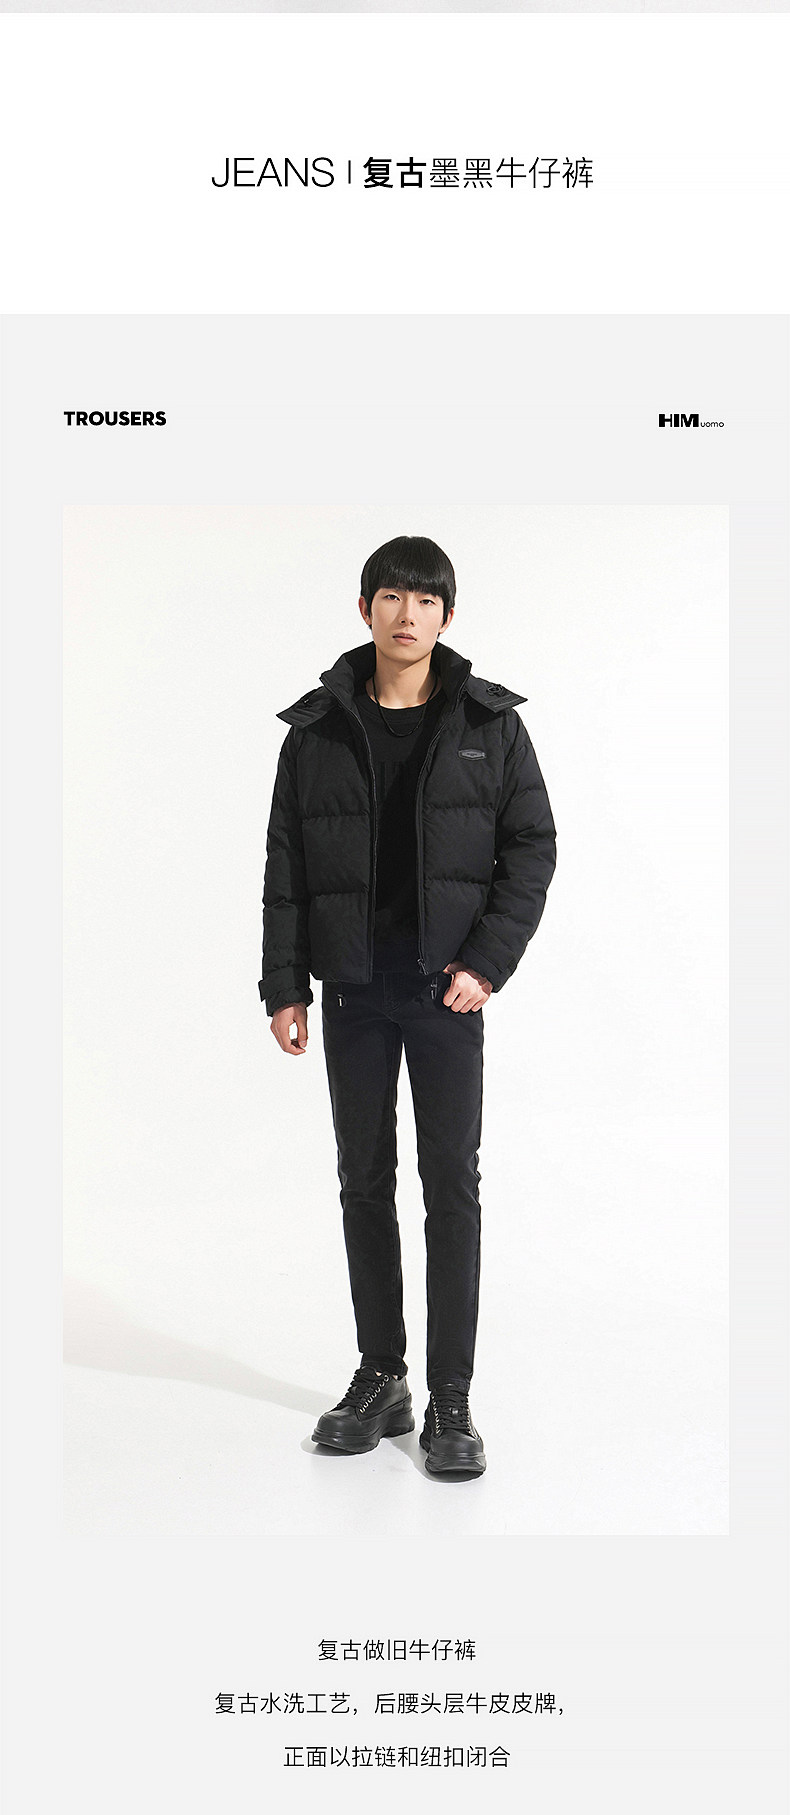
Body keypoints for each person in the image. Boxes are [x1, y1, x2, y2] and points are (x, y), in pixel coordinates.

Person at [259, 535, 556, 1476]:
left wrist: (487, 964)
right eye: (392, 596)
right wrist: (284, 982)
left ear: (447, 617)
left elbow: (532, 846)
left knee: (451, 1184)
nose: (408, 614)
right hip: (352, 989)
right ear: (366, 609)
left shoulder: (488, 723)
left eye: (426, 601)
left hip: (445, 993)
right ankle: (382, 1376)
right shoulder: (316, 730)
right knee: (363, 1180)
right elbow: (285, 863)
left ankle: (451, 1397)